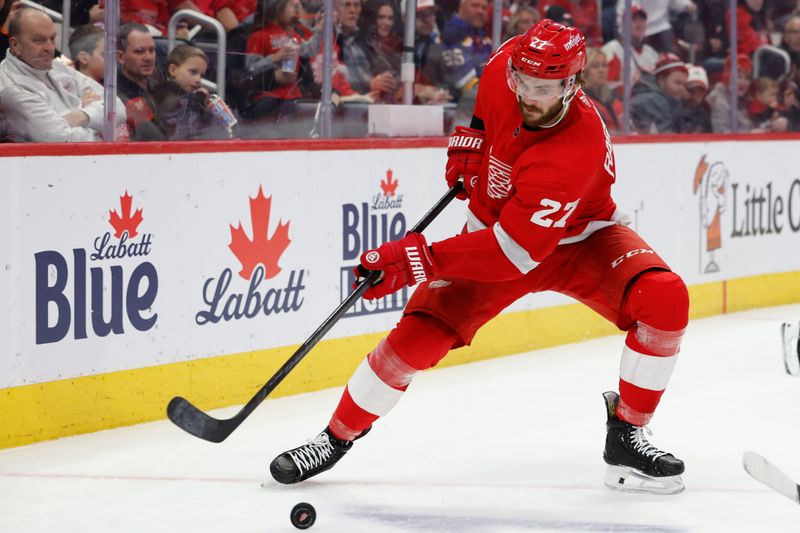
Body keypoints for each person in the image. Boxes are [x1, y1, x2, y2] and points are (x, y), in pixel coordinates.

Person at [269, 19, 689, 496]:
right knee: (416, 340)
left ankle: (628, 434)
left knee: (663, 298)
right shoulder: (504, 64)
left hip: (580, 242)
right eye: (522, 82)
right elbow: (485, 117)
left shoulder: (574, 148)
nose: (529, 95)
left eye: (544, 88)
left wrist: (416, 259)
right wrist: (471, 144)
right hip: (496, 231)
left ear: (573, 83)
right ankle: (334, 437)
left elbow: (514, 254)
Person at [0, 7, 125, 142]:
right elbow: (60, 139)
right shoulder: (9, 88)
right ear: (15, 44)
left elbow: (116, 108)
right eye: (39, 40)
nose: (50, 48)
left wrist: (80, 116)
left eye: (52, 38)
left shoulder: (59, 67)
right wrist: (101, 128)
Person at [151, 44, 231, 139]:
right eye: (193, 72)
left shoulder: (190, 97)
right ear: (173, 70)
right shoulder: (163, 95)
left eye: (201, 75)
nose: (198, 80)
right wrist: (199, 99)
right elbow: (181, 125)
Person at [116, 23, 167, 141]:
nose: (148, 57)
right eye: (139, 51)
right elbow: (155, 137)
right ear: (120, 57)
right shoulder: (116, 96)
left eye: (152, 50)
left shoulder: (158, 79)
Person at [629, 52, 689, 133]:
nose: (682, 88)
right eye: (677, 83)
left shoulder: (670, 100)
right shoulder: (653, 100)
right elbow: (665, 139)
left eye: (684, 84)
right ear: (661, 80)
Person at [601, 6, 658, 91]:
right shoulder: (612, 50)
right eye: (634, 20)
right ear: (623, 25)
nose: (639, 24)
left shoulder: (650, 52)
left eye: (642, 20)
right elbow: (607, 87)